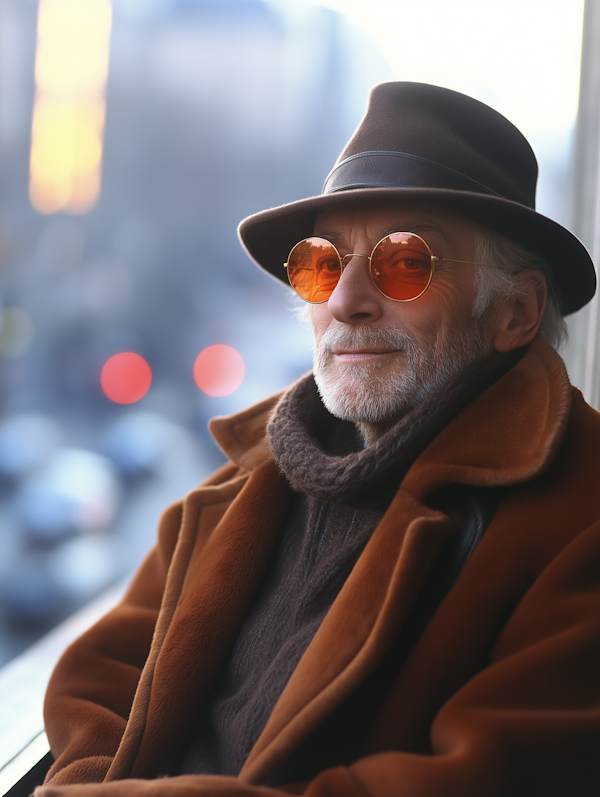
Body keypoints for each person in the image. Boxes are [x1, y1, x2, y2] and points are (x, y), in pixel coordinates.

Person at [37, 82, 600, 797]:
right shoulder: (248, 476)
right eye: (321, 263)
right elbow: (102, 677)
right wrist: (87, 779)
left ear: (515, 312)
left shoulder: (580, 516)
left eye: (405, 260)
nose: (344, 299)